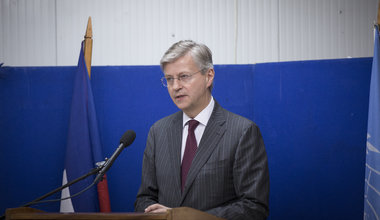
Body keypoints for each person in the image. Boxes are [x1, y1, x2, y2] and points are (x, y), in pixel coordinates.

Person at [134, 40, 269, 220]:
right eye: (169, 79)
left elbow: (254, 207)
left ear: (209, 76)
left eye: (184, 76)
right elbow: (144, 198)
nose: (175, 86)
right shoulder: (158, 132)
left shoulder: (242, 132)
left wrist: (183, 217)